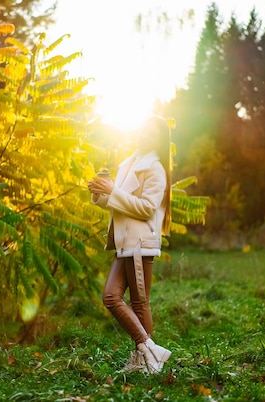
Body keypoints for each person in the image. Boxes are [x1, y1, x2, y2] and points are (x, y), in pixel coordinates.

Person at [87, 116, 172, 374]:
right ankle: (149, 351)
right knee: (111, 297)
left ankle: (146, 361)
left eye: (151, 133)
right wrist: (100, 193)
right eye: (143, 129)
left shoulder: (155, 169)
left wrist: (113, 192)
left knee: (139, 304)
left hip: (139, 245)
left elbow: (146, 209)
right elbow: (119, 202)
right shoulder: (128, 164)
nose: (143, 135)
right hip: (123, 243)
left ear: (158, 140)